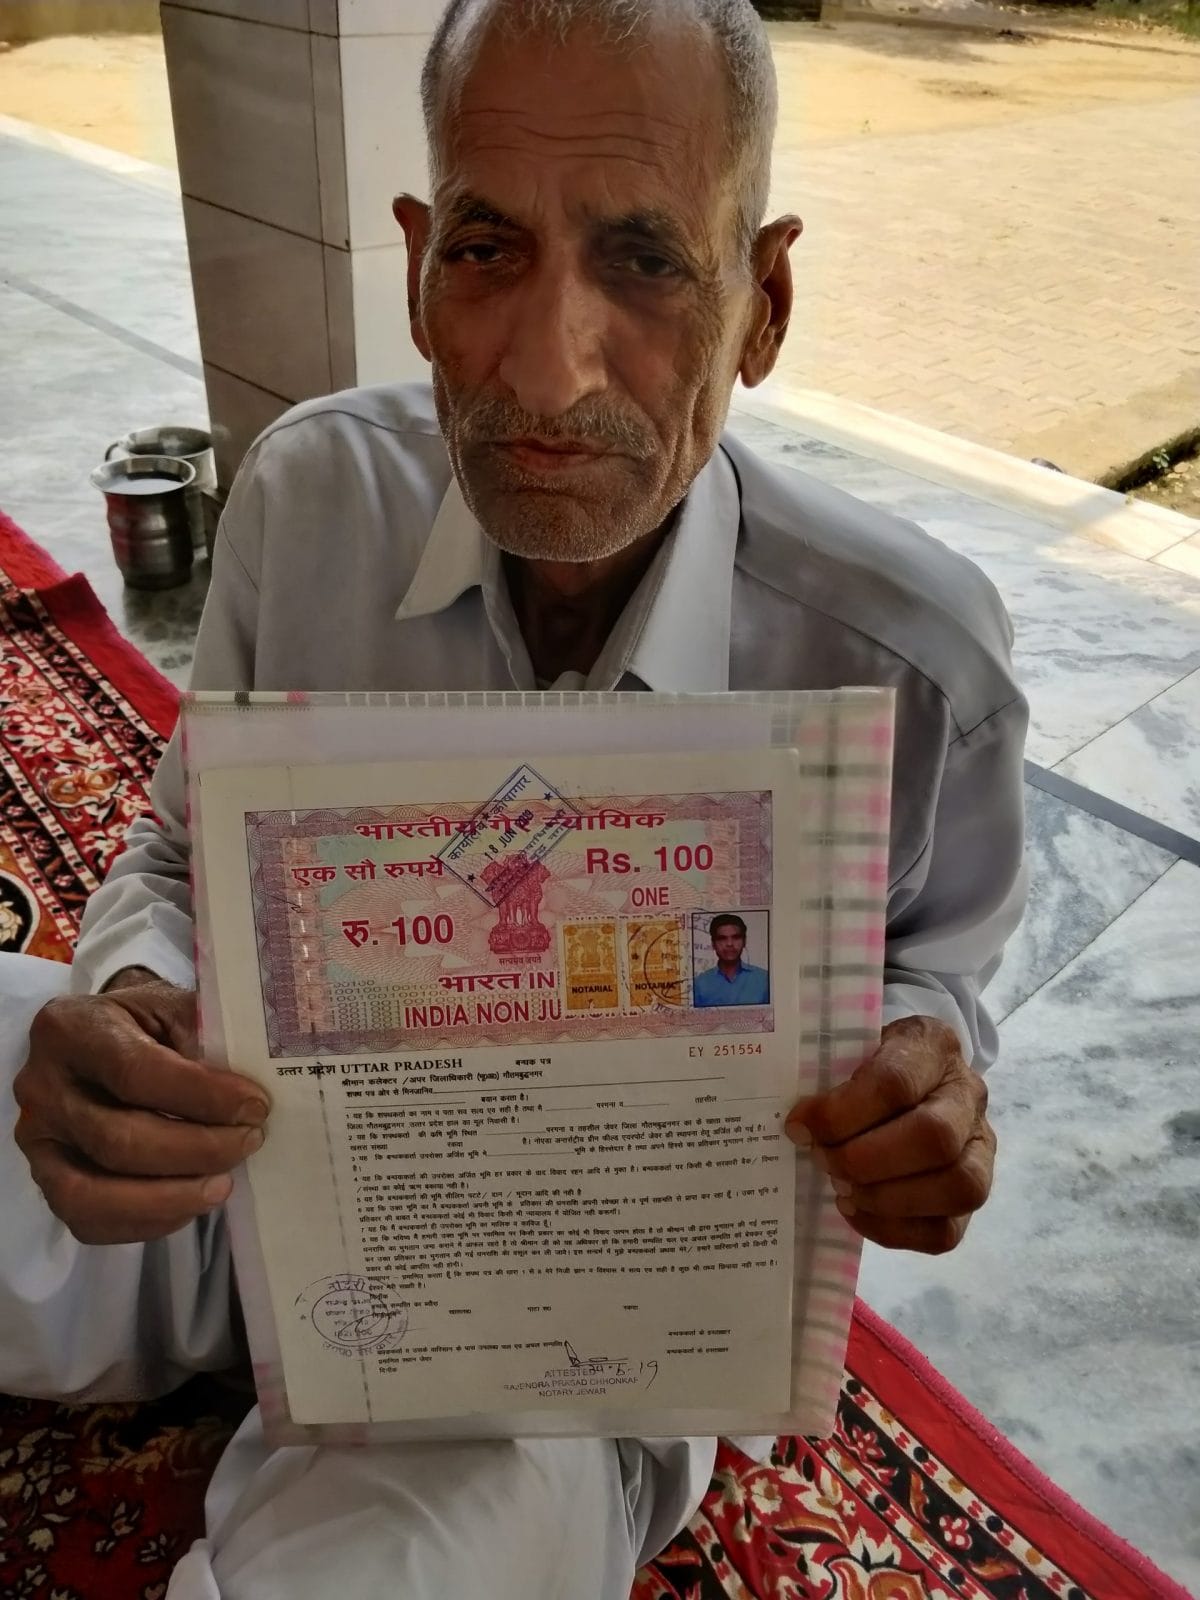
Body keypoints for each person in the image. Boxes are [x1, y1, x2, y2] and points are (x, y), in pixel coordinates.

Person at [0, 1, 1027, 1595]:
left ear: (763, 302)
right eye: (487, 249)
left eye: (646, 260)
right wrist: (134, 999)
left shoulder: (914, 659)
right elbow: (180, 852)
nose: (546, 371)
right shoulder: (310, 493)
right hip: (250, 1172)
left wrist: (932, 1079)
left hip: (572, 1324)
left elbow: (938, 973)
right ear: (415, 265)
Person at [693, 913, 770, 1007]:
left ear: (744, 941)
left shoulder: (764, 979)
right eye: (722, 938)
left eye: (736, 937)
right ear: (713, 944)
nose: (729, 944)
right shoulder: (699, 984)